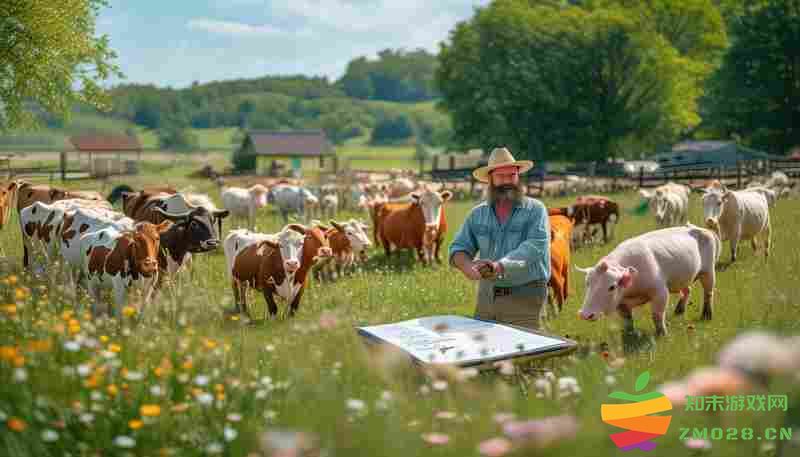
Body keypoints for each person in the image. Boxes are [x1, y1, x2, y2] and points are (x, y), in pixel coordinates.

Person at [449, 147, 551, 330]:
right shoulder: (477, 214)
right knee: (485, 351)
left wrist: (500, 266)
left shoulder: (536, 210)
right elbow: (459, 248)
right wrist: (467, 266)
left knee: (523, 354)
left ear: (518, 176)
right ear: (490, 179)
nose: (508, 181)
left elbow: (534, 247)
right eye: (501, 176)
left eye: (512, 175)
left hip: (526, 295)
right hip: (487, 296)